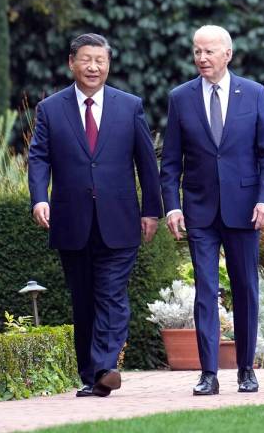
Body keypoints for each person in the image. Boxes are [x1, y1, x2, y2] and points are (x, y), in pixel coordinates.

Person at [28, 33, 162, 397]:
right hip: (71, 221)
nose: (93, 67)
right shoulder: (51, 109)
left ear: (108, 64)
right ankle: (91, 376)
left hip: (119, 219)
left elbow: (146, 163)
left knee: (112, 294)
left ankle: (105, 366)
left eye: (100, 60)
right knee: (84, 299)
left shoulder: (129, 105)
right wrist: (40, 198)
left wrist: (152, 210)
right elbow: (39, 157)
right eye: (86, 59)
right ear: (71, 62)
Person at [160, 25, 264, 395]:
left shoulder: (254, 93)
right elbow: (170, 162)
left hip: (245, 211)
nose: (202, 58)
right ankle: (208, 374)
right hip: (200, 210)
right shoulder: (180, 98)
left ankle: (246, 370)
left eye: (209, 51)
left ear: (227, 54)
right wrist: (172, 206)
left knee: (245, 288)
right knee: (205, 290)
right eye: (197, 51)